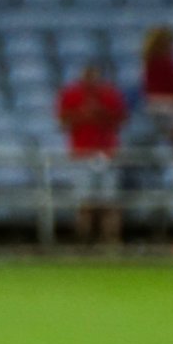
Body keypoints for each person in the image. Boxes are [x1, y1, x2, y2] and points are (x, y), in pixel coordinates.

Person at [58, 59, 130, 248]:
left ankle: (111, 241)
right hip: (82, 153)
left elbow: (122, 119)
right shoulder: (71, 94)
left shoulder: (110, 94)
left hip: (107, 153)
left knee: (110, 201)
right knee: (85, 202)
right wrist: (82, 114)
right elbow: (62, 121)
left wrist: (101, 113)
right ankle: (83, 242)